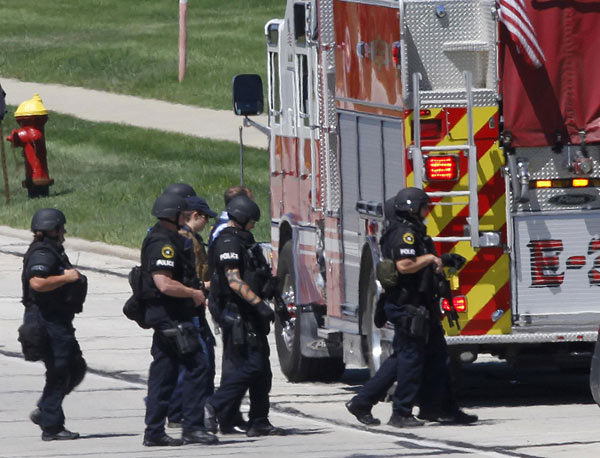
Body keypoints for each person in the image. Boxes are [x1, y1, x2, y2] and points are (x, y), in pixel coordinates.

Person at [345, 187, 477, 427]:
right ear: (411, 208)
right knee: (409, 361)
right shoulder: (402, 233)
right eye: (424, 206)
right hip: (409, 306)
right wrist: (429, 259)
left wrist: (443, 260)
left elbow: (421, 261)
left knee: (435, 359)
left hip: (422, 305)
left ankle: (440, 408)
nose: (428, 211)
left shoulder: (415, 231)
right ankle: (400, 413)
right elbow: (405, 265)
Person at [204, 195, 285, 437]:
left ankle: (259, 420)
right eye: (251, 221)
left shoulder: (245, 241)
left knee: (262, 370)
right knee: (252, 366)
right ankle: (216, 405)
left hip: (251, 313)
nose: (253, 225)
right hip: (237, 312)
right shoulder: (228, 242)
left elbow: (253, 274)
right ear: (240, 218)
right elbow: (233, 280)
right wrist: (259, 304)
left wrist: (269, 289)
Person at [141, 193, 218, 446]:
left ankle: (154, 432)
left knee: (164, 375)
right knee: (197, 367)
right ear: (173, 215)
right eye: (182, 214)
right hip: (172, 318)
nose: (185, 218)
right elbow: (163, 283)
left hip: (168, 318)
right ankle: (192, 426)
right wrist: (193, 293)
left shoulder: (166, 238)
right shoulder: (163, 243)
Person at [22, 208, 87, 441]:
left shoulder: (50, 250)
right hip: (46, 320)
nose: (64, 232)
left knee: (75, 367)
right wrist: (67, 278)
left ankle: (46, 407)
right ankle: (52, 425)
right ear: (53, 229)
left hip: (57, 319)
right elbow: (37, 283)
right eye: (62, 228)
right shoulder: (43, 253)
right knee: (60, 371)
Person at [166, 195, 217, 429]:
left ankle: (178, 411)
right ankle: (184, 413)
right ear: (195, 215)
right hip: (190, 308)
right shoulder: (187, 241)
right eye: (205, 218)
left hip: (190, 306)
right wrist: (210, 287)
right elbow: (192, 276)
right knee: (198, 361)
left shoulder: (188, 238)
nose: (206, 223)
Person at [207, 185, 253, 434]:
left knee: (238, 360)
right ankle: (225, 413)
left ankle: (230, 413)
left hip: (229, 301)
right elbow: (227, 273)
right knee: (236, 362)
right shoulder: (227, 233)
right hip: (229, 303)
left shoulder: (223, 227)